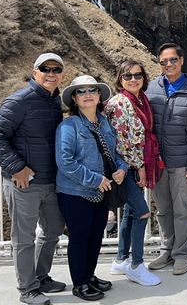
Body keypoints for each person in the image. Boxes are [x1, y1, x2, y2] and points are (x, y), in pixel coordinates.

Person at [0, 53, 68, 305]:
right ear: (34, 72)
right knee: (24, 237)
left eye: (56, 69)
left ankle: (40, 276)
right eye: (45, 68)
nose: (51, 73)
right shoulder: (19, 101)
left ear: (62, 75)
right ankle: (27, 289)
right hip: (24, 182)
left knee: (54, 229)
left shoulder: (55, 101)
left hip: (51, 181)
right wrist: (16, 168)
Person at [55, 75, 127, 301]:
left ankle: (89, 275)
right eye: (81, 91)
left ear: (99, 96)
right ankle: (80, 283)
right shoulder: (69, 125)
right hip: (75, 192)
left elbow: (115, 154)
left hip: (101, 191)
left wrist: (122, 169)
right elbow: (65, 161)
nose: (87, 94)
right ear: (74, 99)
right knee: (80, 238)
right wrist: (95, 179)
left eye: (92, 90)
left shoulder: (105, 122)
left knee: (96, 236)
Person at [146, 43, 187, 275]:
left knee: (183, 209)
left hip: (182, 163)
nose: (168, 65)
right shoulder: (151, 88)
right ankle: (167, 249)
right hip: (157, 162)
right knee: (163, 210)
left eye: (172, 60)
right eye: (164, 61)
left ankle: (182, 254)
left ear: (181, 60)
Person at [104, 60, 161, 286]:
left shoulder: (141, 100)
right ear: (120, 79)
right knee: (143, 213)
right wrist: (141, 168)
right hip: (125, 167)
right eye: (127, 76)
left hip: (135, 163)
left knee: (129, 212)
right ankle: (137, 265)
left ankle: (120, 260)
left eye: (137, 75)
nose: (133, 79)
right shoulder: (119, 103)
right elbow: (121, 142)